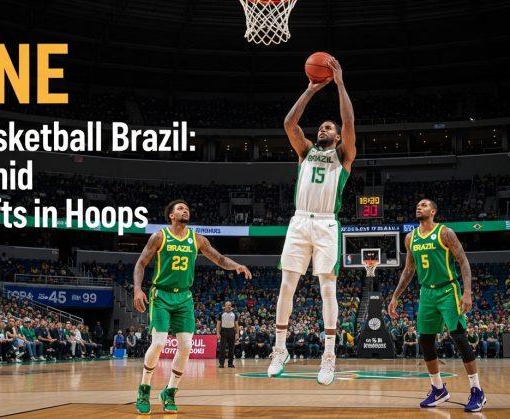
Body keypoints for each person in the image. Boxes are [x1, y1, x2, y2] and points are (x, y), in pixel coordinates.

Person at [269, 57, 357, 386]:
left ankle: (329, 355)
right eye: (322, 126)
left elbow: (348, 123)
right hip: (298, 223)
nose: (324, 128)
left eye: (329, 128)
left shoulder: (343, 155)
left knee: (327, 289)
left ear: (337, 137)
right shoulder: (305, 151)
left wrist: (340, 84)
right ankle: (280, 349)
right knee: (286, 286)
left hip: (326, 224)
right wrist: (309, 91)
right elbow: (289, 124)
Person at [133, 200, 252, 414]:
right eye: (179, 208)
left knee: (186, 346)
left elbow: (219, 258)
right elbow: (141, 263)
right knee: (159, 342)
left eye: (187, 208)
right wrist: (137, 289)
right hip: (161, 295)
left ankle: (169, 392)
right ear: (170, 215)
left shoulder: (196, 239)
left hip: (184, 298)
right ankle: (144, 388)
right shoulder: (159, 236)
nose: (185, 210)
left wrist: (237, 266)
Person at [388, 199, 486, 412]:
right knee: (425, 340)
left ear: (433, 211)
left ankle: (477, 390)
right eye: (417, 205)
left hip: (448, 290)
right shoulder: (410, 238)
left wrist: (467, 292)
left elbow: (463, 261)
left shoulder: (445, 233)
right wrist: (395, 296)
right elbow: (408, 270)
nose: (418, 207)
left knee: (459, 337)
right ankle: (438, 388)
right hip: (426, 293)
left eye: (423, 205)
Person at [217, 301, 238, 368]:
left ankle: (230, 363)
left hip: (232, 331)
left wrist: (237, 333)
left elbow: (236, 324)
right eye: (227, 305)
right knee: (222, 348)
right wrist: (218, 333)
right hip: (223, 331)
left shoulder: (234, 314)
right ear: (225, 306)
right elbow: (218, 324)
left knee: (231, 348)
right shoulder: (221, 313)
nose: (228, 306)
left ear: (231, 306)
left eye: (230, 305)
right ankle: (221, 364)